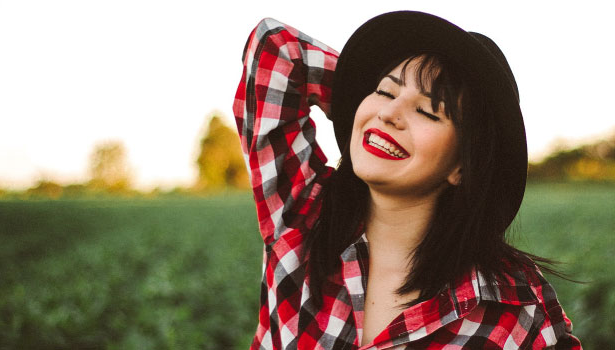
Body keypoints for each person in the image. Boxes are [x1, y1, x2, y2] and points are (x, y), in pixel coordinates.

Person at [233, 11, 581, 349]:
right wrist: (354, 95)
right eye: (384, 91)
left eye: (427, 111)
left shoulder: (514, 309)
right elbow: (277, 49)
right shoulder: (301, 213)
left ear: (463, 165)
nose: (388, 113)